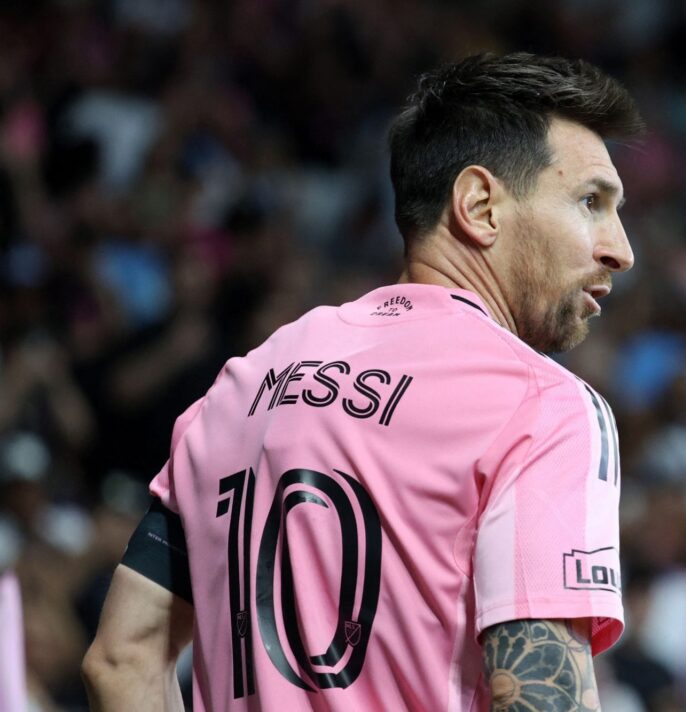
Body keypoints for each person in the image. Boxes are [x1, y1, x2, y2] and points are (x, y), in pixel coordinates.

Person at [82, 52, 641, 711]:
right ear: (481, 205)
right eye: (590, 202)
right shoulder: (542, 406)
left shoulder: (241, 385)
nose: (620, 248)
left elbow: (122, 660)